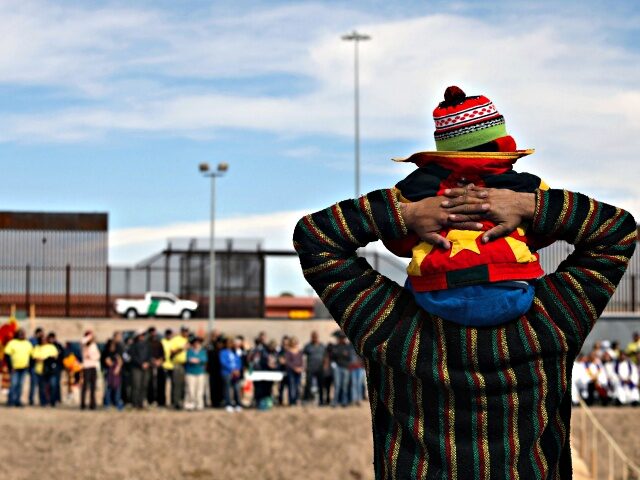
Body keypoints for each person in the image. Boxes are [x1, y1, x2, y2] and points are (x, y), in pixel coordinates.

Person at [293, 180, 636, 477]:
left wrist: (405, 214)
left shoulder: (390, 324)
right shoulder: (552, 320)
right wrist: (527, 205)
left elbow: (315, 238)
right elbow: (617, 230)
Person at [384, 86, 550, 327]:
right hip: (513, 291)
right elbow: (550, 229)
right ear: (502, 144)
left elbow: (396, 242)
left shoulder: (411, 189)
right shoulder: (528, 186)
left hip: (432, 296)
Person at [4, 329, 33, 407]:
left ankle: (17, 401)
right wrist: (11, 366)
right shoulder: (12, 343)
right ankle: (11, 401)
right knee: (14, 384)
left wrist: (29, 365)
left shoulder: (28, 343)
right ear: (17, 334)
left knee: (20, 385)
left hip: (24, 368)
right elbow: (7, 355)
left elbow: (31, 355)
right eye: (20, 334)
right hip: (14, 368)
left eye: (23, 334)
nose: (22, 335)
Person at [32, 333, 60, 406]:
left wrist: (48, 359)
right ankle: (43, 402)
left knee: (53, 386)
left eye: (44, 339)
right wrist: (45, 359)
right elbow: (35, 358)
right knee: (42, 387)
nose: (43, 340)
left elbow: (56, 356)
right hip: (40, 370)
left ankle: (52, 401)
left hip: (51, 370)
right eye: (42, 339)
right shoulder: (37, 347)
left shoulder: (51, 347)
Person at [129, 329, 151, 409]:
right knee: (136, 386)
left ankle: (141, 403)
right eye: (141, 335)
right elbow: (133, 357)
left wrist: (147, 363)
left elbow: (149, 355)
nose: (142, 337)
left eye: (143, 335)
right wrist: (141, 363)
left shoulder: (147, 345)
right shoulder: (133, 346)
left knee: (144, 386)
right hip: (136, 368)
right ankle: (135, 403)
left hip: (146, 368)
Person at [302, 331, 327, 405]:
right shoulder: (307, 346)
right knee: (308, 384)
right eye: (313, 337)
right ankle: (306, 400)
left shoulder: (322, 346)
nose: (314, 338)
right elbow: (303, 357)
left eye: (316, 337)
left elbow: (325, 357)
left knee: (321, 385)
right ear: (311, 337)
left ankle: (321, 401)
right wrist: (304, 366)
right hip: (310, 368)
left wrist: (325, 366)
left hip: (320, 368)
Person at [329, 331, 352, 407]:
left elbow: (349, 357)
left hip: (345, 368)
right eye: (340, 338)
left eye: (342, 338)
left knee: (344, 386)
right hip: (337, 368)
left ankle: (344, 401)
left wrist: (343, 355)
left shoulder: (347, 347)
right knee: (337, 385)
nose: (341, 339)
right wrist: (333, 364)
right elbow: (332, 356)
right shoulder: (335, 346)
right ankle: (335, 402)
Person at [219, 337, 242, 412]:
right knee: (227, 389)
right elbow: (223, 362)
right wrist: (232, 370)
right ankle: (228, 404)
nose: (230, 344)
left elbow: (238, 361)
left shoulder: (235, 352)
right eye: (229, 343)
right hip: (227, 373)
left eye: (231, 343)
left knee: (236, 388)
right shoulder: (223, 352)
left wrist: (237, 369)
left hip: (235, 373)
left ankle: (238, 404)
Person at [185, 337, 208, 411]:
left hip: (200, 372)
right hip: (190, 372)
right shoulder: (189, 351)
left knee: (199, 389)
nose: (197, 344)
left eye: (198, 343)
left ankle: (199, 404)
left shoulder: (202, 351)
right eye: (195, 343)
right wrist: (194, 360)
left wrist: (198, 360)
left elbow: (204, 359)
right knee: (190, 389)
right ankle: (190, 404)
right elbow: (189, 359)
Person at [169, 326, 189, 409]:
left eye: (187, 331)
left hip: (188, 365)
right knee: (177, 384)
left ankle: (183, 401)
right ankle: (175, 402)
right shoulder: (176, 339)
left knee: (185, 385)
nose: (186, 333)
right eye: (184, 331)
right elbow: (172, 352)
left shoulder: (189, 340)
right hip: (178, 364)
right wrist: (182, 349)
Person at [81, 330, 101, 410]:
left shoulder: (94, 345)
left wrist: (92, 357)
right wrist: (89, 337)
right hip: (86, 366)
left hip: (93, 366)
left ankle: (92, 404)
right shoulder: (84, 344)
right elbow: (83, 341)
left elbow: (97, 355)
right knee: (85, 386)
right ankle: (83, 404)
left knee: (93, 386)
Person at [103, 338, 124, 409]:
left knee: (117, 389)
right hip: (109, 373)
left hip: (116, 374)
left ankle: (117, 403)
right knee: (108, 389)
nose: (113, 347)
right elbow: (108, 362)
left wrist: (117, 368)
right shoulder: (106, 353)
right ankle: (107, 404)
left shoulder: (117, 353)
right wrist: (114, 364)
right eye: (112, 345)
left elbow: (120, 361)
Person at [147, 327, 165, 406]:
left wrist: (160, 361)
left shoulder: (159, 342)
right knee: (150, 384)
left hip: (159, 365)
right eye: (152, 332)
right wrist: (152, 360)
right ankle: (150, 400)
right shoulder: (147, 343)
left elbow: (163, 354)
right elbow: (146, 354)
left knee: (160, 384)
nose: (154, 334)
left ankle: (160, 401)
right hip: (150, 366)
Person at [284, 336, 303, 406]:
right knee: (291, 386)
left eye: (296, 342)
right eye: (294, 342)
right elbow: (288, 362)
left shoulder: (299, 351)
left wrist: (300, 368)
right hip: (291, 372)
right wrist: (294, 368)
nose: (295, 343)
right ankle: (291, 401)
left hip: (299, 372)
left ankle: (296, 400)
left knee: (297, 386)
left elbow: (301, 361)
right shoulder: (288, 352)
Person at [27, 327, 44, 406]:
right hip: (33, 365)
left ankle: (41, 400)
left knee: (41, 385)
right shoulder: (32, 341)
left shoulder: (41, 342)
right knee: (33, 384)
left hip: (41, 367)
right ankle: (31, 400)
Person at [160, 328, 174, 407]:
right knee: (164, 385)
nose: (169, 336)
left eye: (170, 334)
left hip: (172, 365)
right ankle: (163, 401)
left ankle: (172, 401)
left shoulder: (173, 342)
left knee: (173, 385)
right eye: (167, 334)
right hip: (164, 365)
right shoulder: (162, 342)